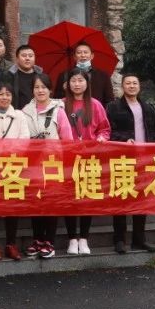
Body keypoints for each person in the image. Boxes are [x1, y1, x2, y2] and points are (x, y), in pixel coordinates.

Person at [105, 73, 155, 254]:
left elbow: (154, 133)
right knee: (121, 199)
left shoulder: (148, 108)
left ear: (139, 86)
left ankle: (139, 239)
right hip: (122, 159)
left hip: (144, 160)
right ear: (122, 86)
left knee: (142, 201)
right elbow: (109, 132)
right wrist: (124, 139)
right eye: (128, 83)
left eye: (134, 83)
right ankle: (120, 239)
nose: (131, 86)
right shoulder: (113, 107)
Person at [61, 68, 110, 255]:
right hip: (68, 159)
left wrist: (101, 140)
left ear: (87, 83)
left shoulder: (95, 105)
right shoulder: (61, 104)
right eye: (73, 81)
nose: (77, 84)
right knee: (70, 199)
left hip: (90, 158)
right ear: (68, 84)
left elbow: (105, 129)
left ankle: (84, 238)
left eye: (80, 80)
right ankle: (72, 238)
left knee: (87, 198)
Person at [0, 81, 30, 261]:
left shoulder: (19, 116)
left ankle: (11, 243)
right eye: (1, 94)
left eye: (8, 94)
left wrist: (8, 152)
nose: (4, 97)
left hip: (13, 166)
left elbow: (25, 140)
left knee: (12, 206)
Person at [21, 72, 68, 258]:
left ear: (50, 89)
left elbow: (68, 140)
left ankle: (50, 241)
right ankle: (37, 239)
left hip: (53, 164)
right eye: (36, 87)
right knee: (35, 203)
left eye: (44, 87)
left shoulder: (59, 111)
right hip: (32, 165)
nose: (40, 90)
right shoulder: (24, 112)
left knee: (51, 203)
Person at [8, 44, 42, 109]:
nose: (27, 58)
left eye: (30, 56)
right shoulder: (10, 76)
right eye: (24, 56)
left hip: (38, 113)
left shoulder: (41, 76)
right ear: (17, 58)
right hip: (17, 114)